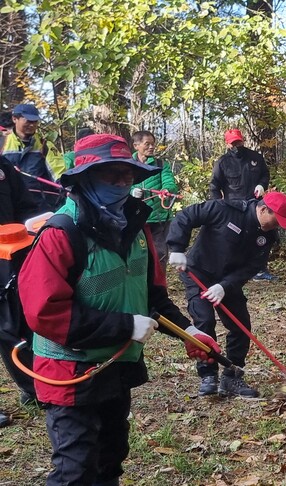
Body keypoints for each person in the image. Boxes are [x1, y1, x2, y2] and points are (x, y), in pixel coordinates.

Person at [18, 133, 221, 485]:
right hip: (70, 371)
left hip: (116, 365)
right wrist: (124, 326)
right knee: (75, 469)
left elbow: (153, 297)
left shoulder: (136, 230)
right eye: (111, 174)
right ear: (85, 178)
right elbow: (44, 312)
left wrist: (189, 331)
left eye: (127, 174)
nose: (122, 182)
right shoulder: (60, 233)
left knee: (110, 458)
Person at [167, 191, 286, 398]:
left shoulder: (268, 235)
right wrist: (177, 248)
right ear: (264, 209)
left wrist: (224, 286)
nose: (277, 226)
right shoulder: (225, 209)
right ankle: (208, 375)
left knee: (241, 325)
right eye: (276, 220)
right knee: (204, 321)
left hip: (228, 281)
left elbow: (253, 266)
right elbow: (186, 216)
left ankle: (232, 376)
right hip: (199, 272)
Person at [0, 152, 50, 427]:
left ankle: (34, 388)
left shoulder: (3, 166)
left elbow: (26, 205)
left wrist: (34, 229)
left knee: (13, 323)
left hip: (9, 256)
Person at [209, 128, 274, 281]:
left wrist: (262, 185)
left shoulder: (255, 157)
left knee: (261, 237)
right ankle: (232, 269)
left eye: (238, 142)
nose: (236, 146)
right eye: (233, 143)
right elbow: (214, 186)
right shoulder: (222, 162)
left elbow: (265, 174)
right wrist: (218, 206)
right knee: (233, 239)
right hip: (234, 207)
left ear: (243, 140)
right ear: (227, 144)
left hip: (255, 206)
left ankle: (259, 270)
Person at [129, 131, 178, 272]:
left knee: (160, 255)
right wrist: (132, 191)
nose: (151, 147)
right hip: (135, 219)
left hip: (159, 218)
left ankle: (158, 282)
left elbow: (169, 182)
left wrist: (166, 190)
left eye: (153, 144)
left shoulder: (161, 165)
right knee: (137, 255)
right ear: (136, 145)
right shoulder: (128, 165)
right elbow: (121, 185)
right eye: (147, 144)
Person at [1, 104, 62, 212]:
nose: (32, 125)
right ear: (15, 119)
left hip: (39, 207)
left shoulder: (45, 146)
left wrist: (66, 187)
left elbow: (59, 173)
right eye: (28, 121)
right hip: (8, 205)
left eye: (35, 121)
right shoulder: (2, 144)